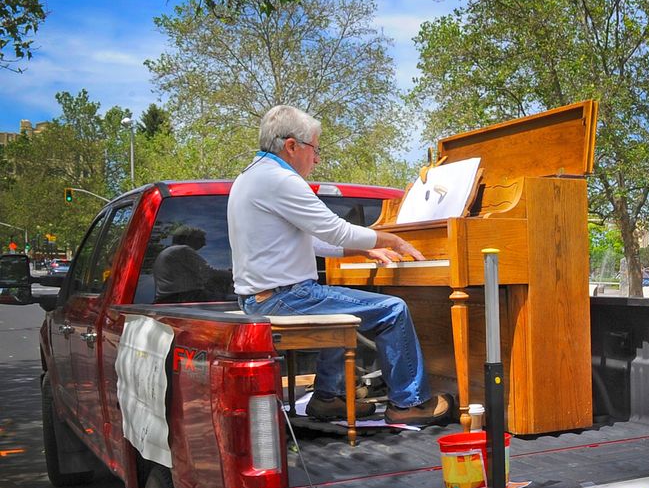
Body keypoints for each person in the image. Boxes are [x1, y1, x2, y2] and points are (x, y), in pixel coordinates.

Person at [228, 105, 453, 426]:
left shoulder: (252, 175)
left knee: (335, 305)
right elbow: (334, 229)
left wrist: (362, 251)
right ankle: (409, 403)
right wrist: (390, 240)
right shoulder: (280, 180)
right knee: (393, 309)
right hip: (285, 299)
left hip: (266, 298)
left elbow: (317, 241)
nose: (316, 159)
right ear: (291, 146)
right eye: (314, 149)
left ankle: (326, 399)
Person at [152, 226, 232, 303]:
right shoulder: (183, 250)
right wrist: (233, 274)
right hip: (185, 297)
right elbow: (208, 273)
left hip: (169, 299)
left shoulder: (168, 252)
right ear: (189, 238)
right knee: (236, 299)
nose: (204, 244)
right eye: (201, 239)